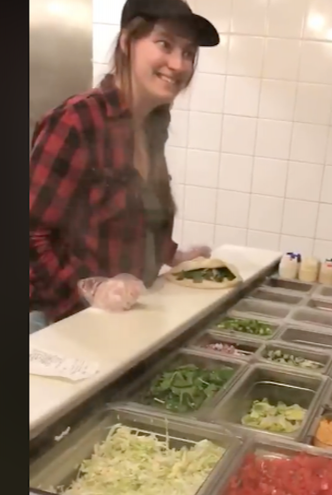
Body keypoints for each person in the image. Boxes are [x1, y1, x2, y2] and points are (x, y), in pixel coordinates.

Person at [29, 0, 220, 333]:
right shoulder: (77, 120)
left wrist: (173, 256)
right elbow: (31, 234)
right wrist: (89, 289)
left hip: (117, 323)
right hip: (57, 326)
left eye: (188, 53)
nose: (178, 64)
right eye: (165, 44)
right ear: (128, 41)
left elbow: (135, 219)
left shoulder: (153, 124)